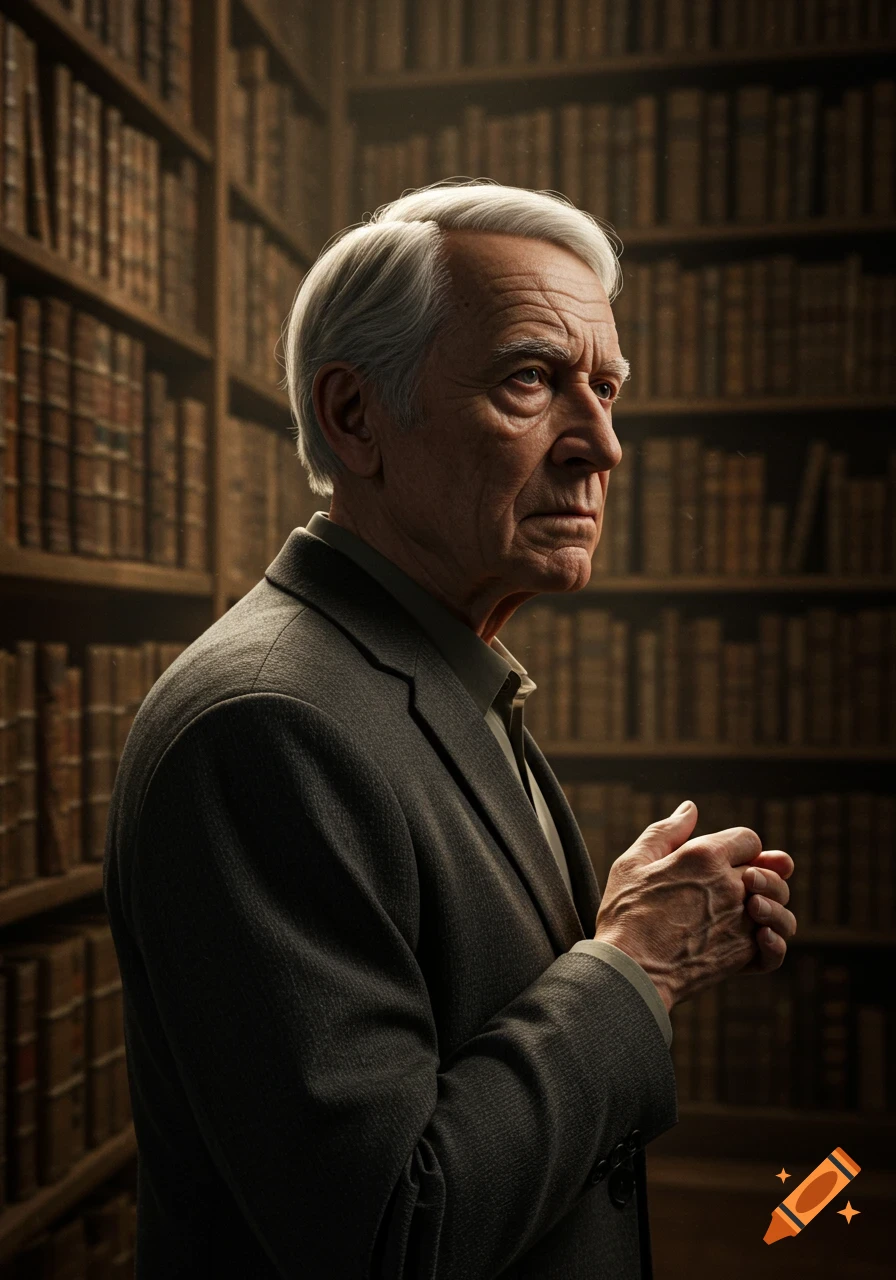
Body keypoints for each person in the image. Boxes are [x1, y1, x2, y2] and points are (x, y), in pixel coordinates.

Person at [103, 180, 797, 1279]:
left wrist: (607, 926)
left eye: (606, 390)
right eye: (530, 379)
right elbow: (389, 1232)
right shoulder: (266, 725)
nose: (600, 445)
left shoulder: (424, 664)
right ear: (353, 416)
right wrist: (633, 966)